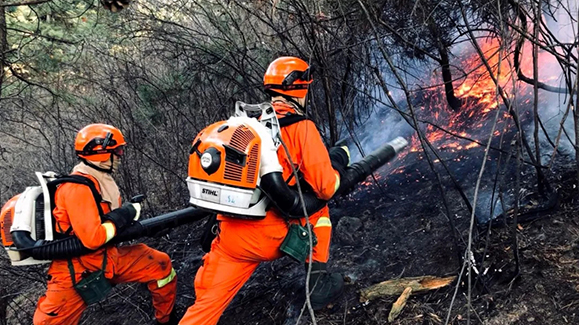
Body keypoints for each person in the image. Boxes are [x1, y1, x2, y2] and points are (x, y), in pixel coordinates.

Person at [179, 56, 344, 325]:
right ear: (301, 88)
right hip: (271, 236)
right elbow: (325, 187)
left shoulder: (243, 125)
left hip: (231, 240)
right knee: (320, 211)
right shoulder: (301, 127)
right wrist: (337, 170)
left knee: (204, 309)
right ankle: (318, 286)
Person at [32, 123, 178, 325]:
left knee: (160, 265)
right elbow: (94, 238)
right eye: (116, 150)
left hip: (108, 259)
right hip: (76, 272)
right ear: (99, 152)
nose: (120, 155)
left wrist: (130, 220)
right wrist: (125, 213)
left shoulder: (99, 180)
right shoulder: (77, 188)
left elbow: (107, 225)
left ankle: (166, 320)